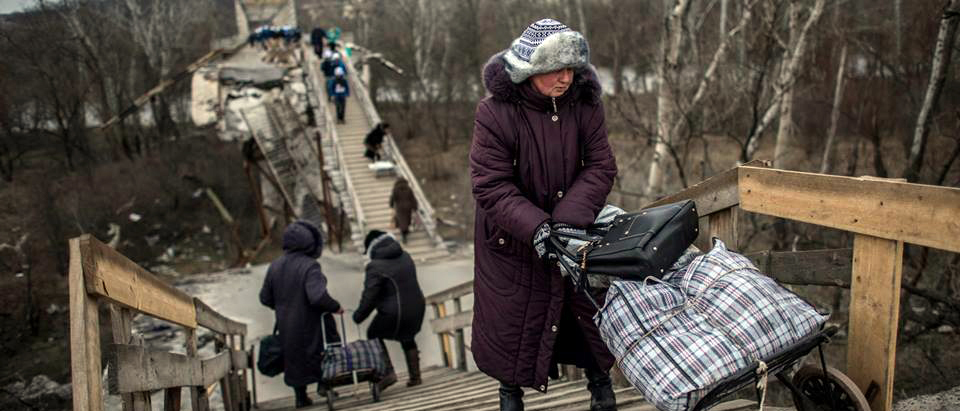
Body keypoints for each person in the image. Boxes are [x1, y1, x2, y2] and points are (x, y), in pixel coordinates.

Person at [469, 18, 619, 411]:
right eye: (557, 69)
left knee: (586, 312)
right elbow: (490, 184)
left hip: (573, 232)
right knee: (513, 321)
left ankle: (601, 387)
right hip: (512, 240)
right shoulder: (495, 112)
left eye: (572, 68)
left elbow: (601, 165)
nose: (567, 78)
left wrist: (567, 221)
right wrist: (537, 226)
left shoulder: (585, 103)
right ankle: (509, 396)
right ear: (530, 69)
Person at [259, 221, 343, 408]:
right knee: (325, 348)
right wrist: (335, 306)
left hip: (286, 323)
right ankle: (325, 385)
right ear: (309, 243)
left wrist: (282, 306)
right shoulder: (310, 266)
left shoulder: (275, 266)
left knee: (294, 357)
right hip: (312, 322)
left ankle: (301, 398)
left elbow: (265, 298)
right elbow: (317, 296)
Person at [353, 230, 426, 391]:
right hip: (417, 308)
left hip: (396, 313)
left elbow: (370, 296)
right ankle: (415, 377)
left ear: (372, 248)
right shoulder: (405, 255)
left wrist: (358, 316)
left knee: (373, 333)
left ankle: (387, 373)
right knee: (407, 336)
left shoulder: (375, 266)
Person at [389, 178, 418, 243]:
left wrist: (391, 205)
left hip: (400, 208)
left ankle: (404, 236)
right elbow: (412, 198)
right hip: (408, 207)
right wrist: (415, 207)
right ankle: (406, 231)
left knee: (402, 220)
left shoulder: (395, 189)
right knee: (407, 219)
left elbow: (393, 198)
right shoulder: (408, 189)